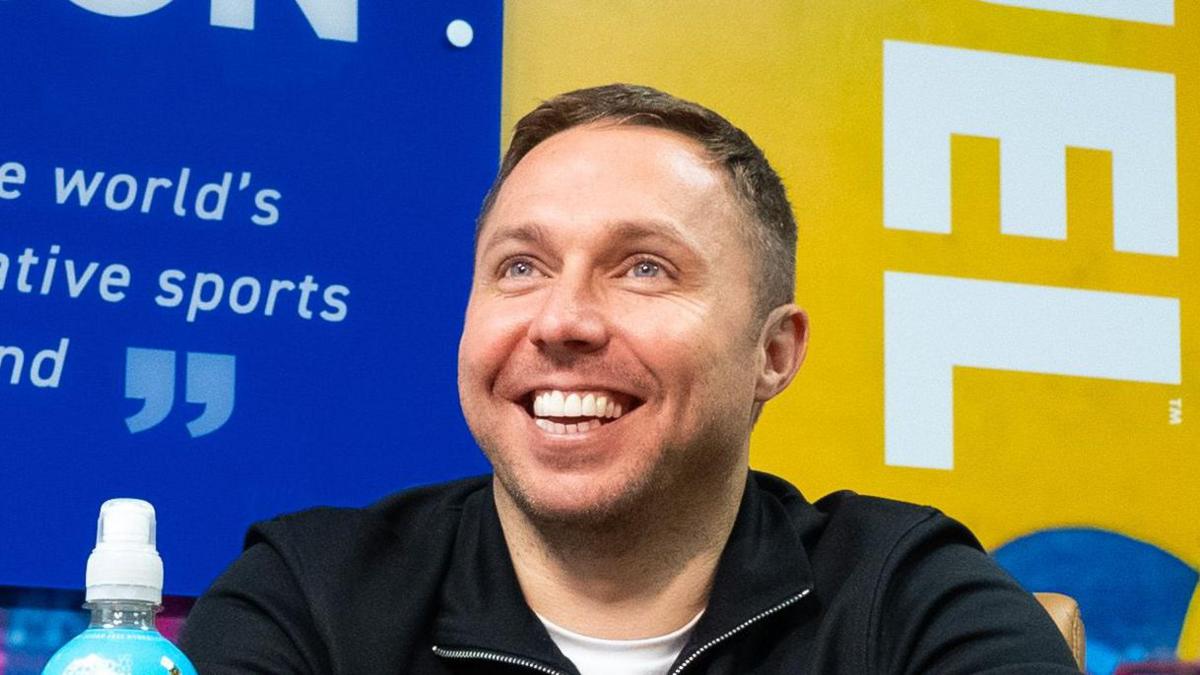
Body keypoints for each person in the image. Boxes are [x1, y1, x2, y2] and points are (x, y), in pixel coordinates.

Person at [180, 84, 1079, 674]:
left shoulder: (903, 597)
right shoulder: (311, 600)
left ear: (774, 354)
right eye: (520, 267)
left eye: (644, 267)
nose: (563, 318)